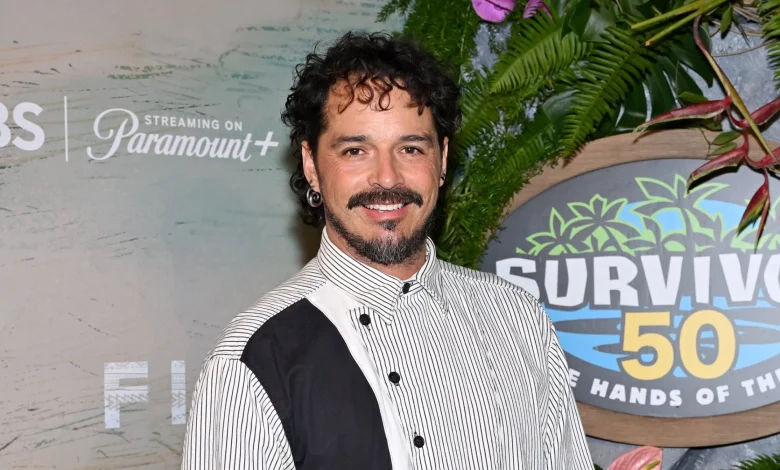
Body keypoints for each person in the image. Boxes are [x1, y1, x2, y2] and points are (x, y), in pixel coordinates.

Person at [181, 31, 593, 470]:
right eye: (356, 150)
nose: (387, 177)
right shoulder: (254, 358)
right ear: (311, 165)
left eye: (410, 148)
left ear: (442, 160)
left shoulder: (517, 319)